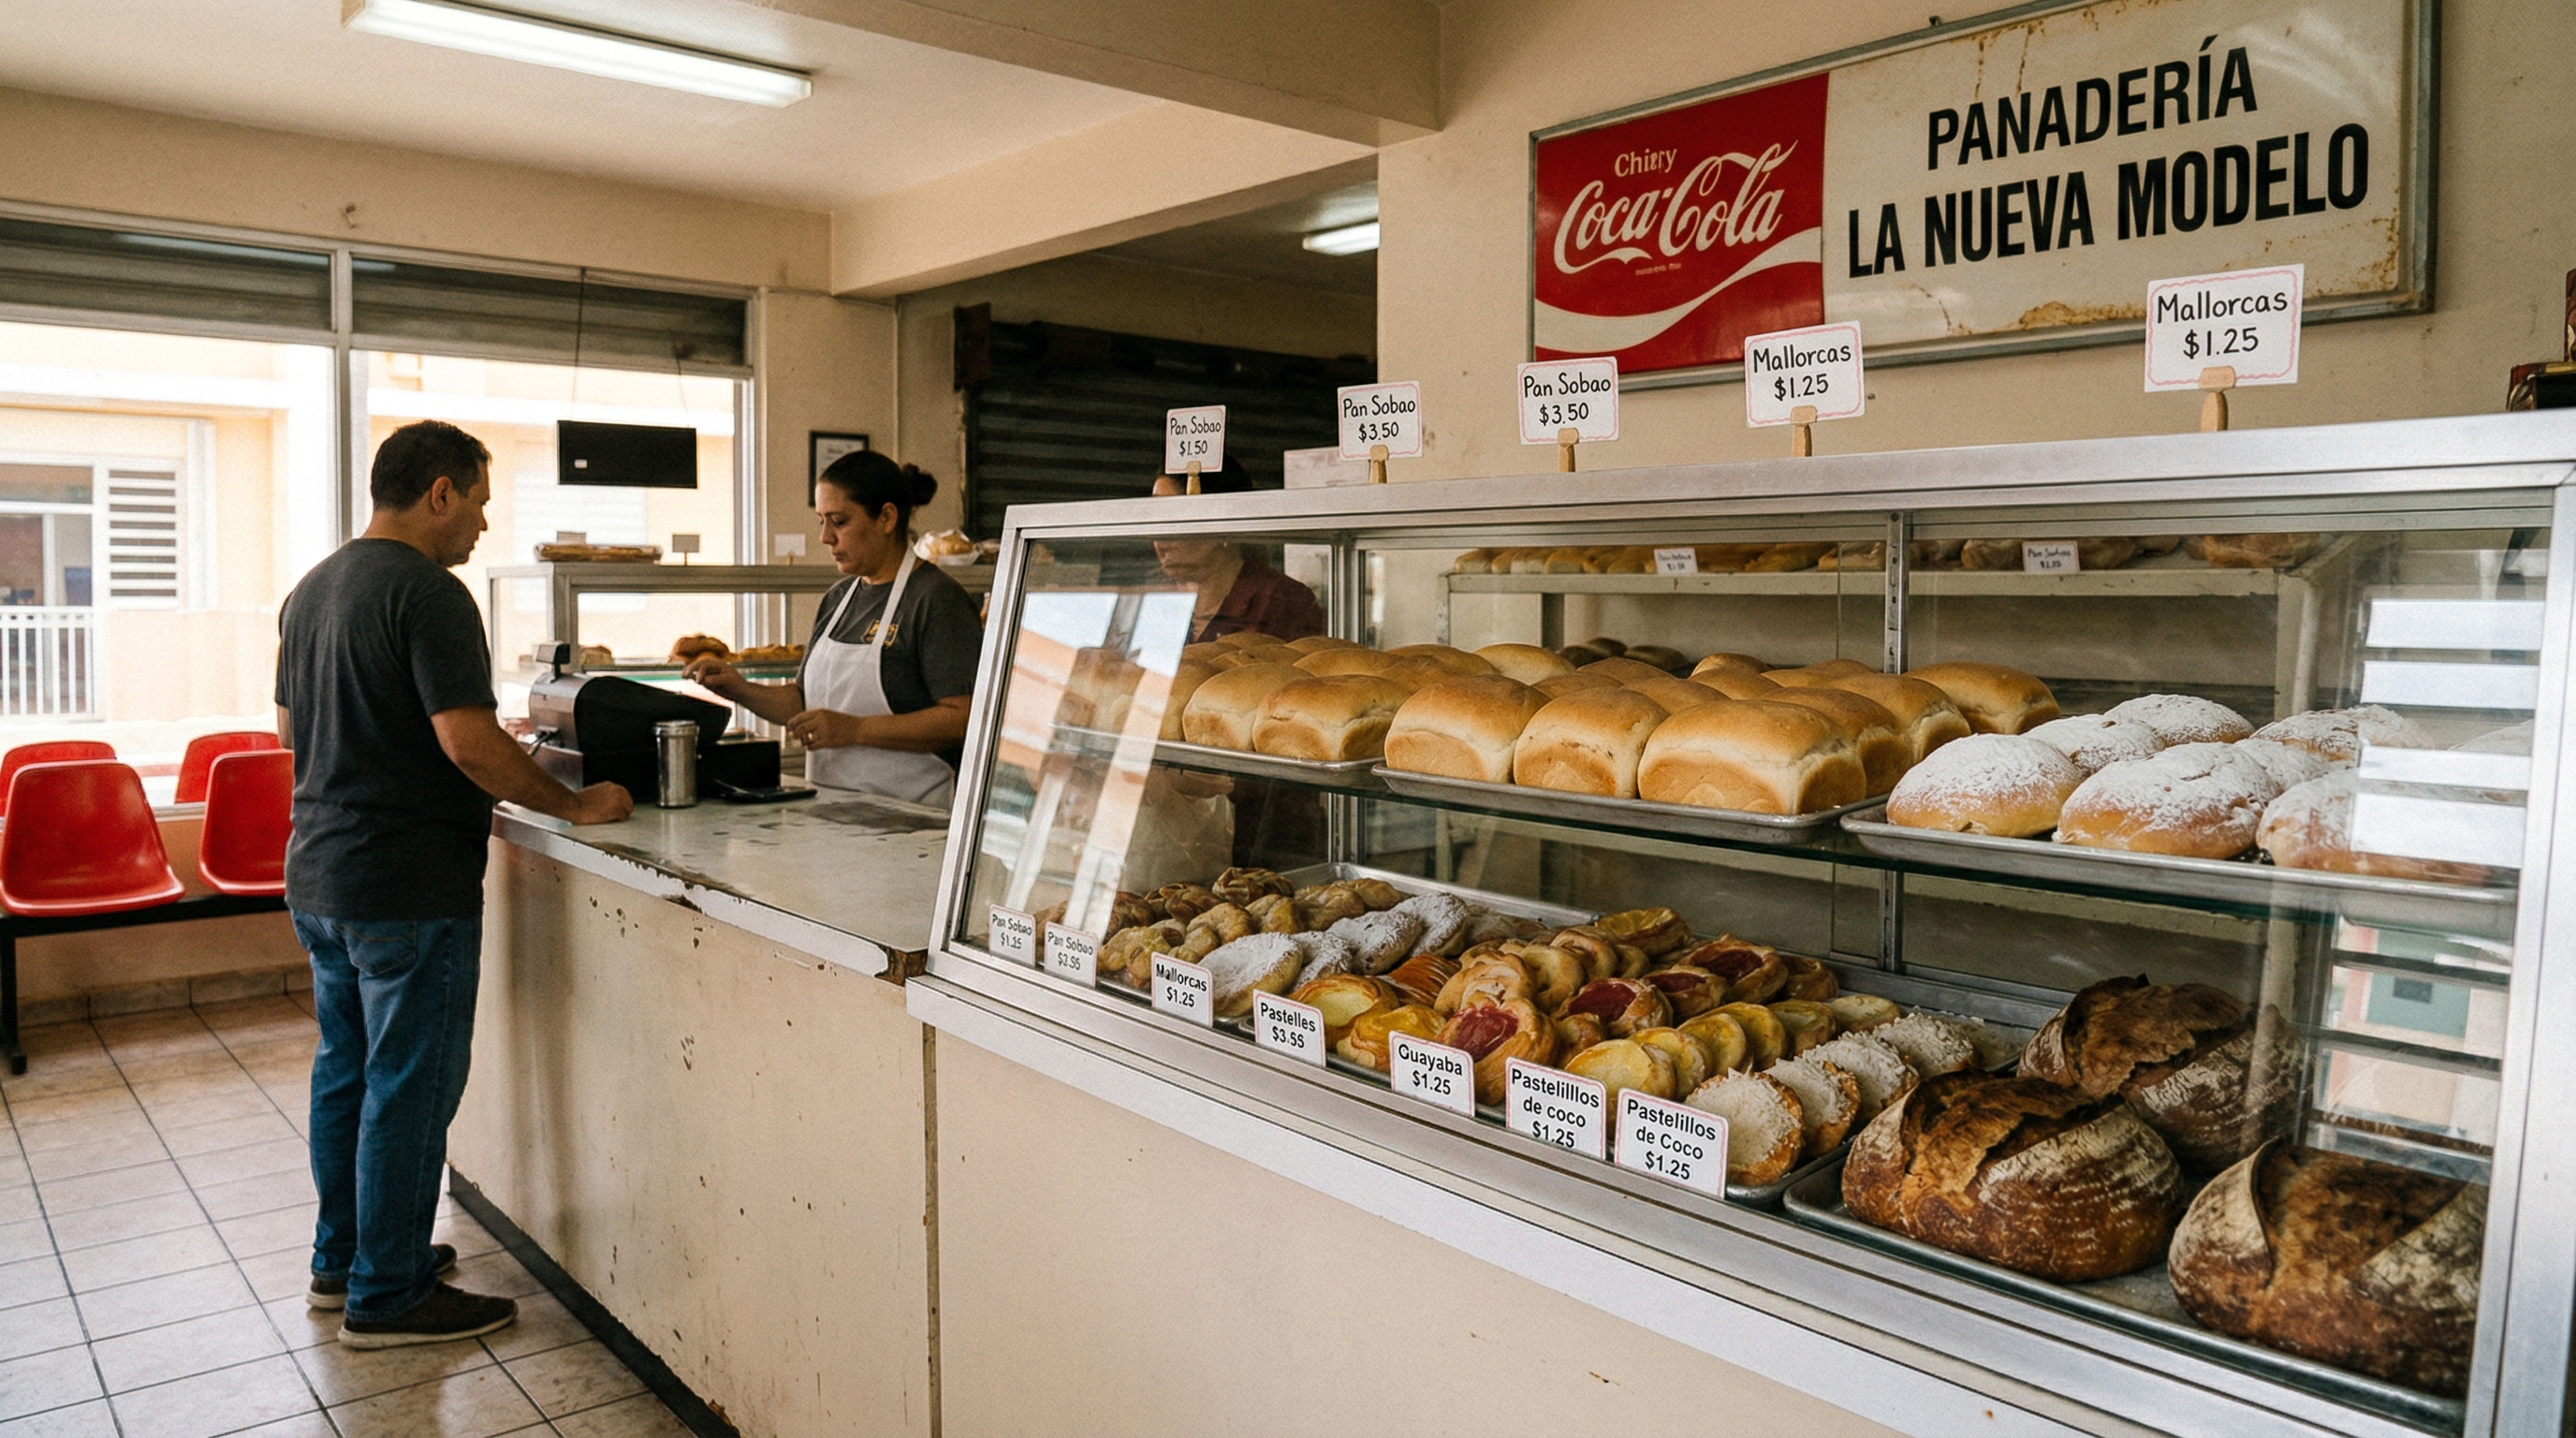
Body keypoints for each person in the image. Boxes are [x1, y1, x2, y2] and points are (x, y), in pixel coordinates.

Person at [275, 419, 633, 1348]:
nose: (480, 523)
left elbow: (287, 728)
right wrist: (573, 804)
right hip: (407, 885)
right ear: (439, 491)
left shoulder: (313, 588)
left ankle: (342, 1260)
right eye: (476, 500)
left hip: (318, 872)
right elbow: (468, 742)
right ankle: (387, 1292)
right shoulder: (430, 594)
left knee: (346, 1075)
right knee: (408, 1085)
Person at [687, 451, 983, 805]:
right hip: (831, 809)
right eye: (821, 521)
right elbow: (804, 702)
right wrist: (740, 689)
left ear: (887, 517)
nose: (826, 537)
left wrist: (855, 729)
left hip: (916, 821)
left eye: (839, 521)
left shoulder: (935, 600)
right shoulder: (839, 598)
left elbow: (962, 719)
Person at [1149, 459, 1326, 643]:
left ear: (1220, 523)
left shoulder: (1284, 600)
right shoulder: (1157, 598)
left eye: (1172, 519)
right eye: (1155, 519)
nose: (1160, 538)